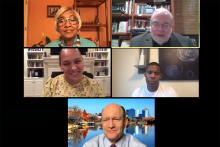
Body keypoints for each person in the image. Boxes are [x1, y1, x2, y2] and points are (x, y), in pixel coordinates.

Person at [130, 8, 196, 47]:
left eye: (166, 25)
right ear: (150, 25)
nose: (160, 29)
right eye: (156, 24)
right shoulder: (135, 42)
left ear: (171, 27)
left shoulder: (186, 43)